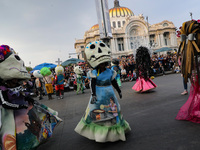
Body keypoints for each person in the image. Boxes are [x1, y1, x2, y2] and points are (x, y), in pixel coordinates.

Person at [0, 45, 62, 150]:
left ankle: (34, 142)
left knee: (32, 128)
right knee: (16, 134)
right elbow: (4, 102)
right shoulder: (3, 89)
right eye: (13, 79)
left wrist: (29, 100)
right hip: (10, 115)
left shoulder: (16, 86)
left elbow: (24, 95)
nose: (15, 81)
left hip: (24, 112)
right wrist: (18, 106)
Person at [75, 41, 131, 142]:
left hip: (110, 93)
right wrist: (93, 94)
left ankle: (113, 132)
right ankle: (100, 134)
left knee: (113, 110)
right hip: (99, 94)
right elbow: (92, 84)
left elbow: (114, 82)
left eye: (103, 63)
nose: (102, 65)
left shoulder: (110, 72)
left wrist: (119, 91)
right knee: (98, 111)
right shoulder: (94, 73)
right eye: (100, 64)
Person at [176, 20, 200, 123]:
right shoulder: (195, 54)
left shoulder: (187, 53)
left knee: (196, 92)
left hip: (194, 78)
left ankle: (194, 110)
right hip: (196, 76)